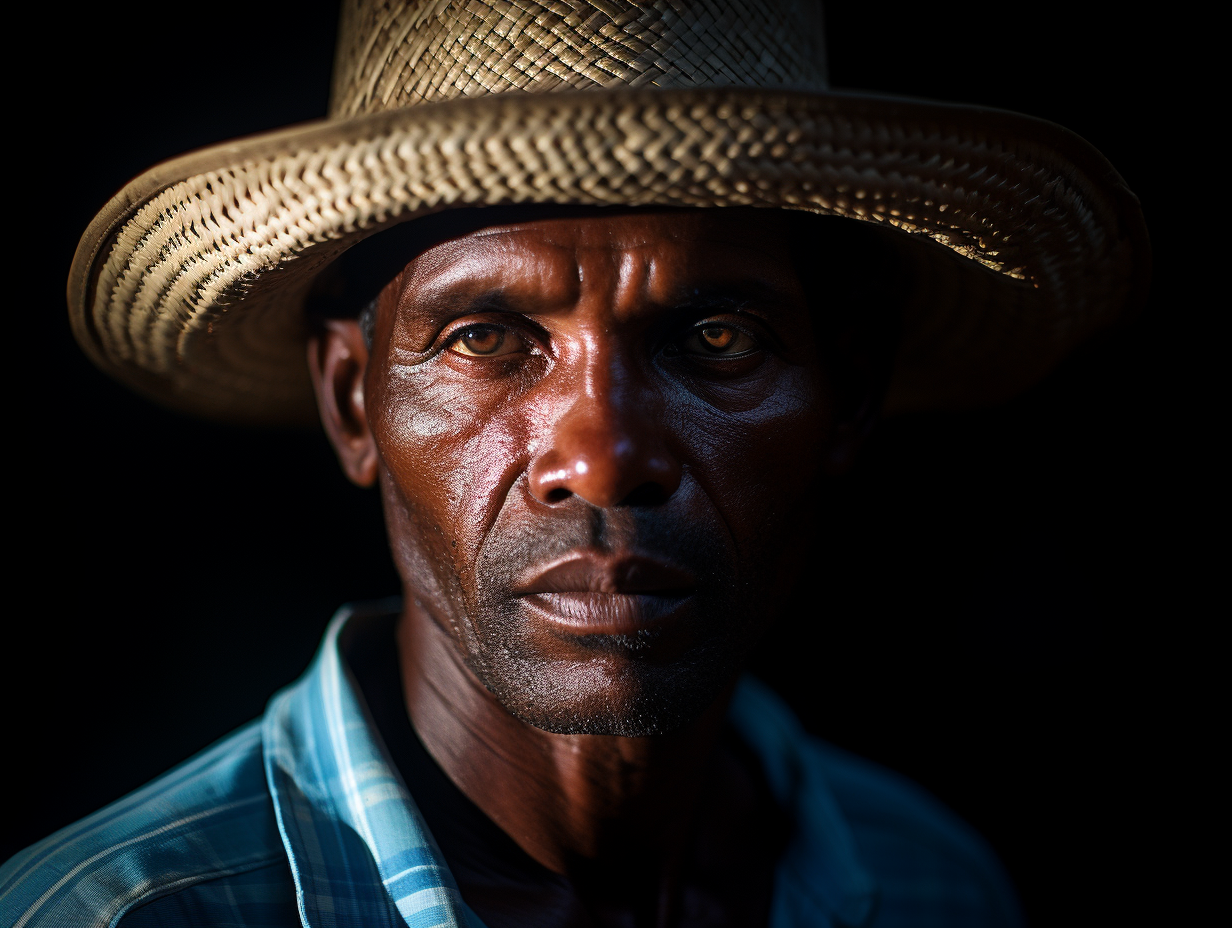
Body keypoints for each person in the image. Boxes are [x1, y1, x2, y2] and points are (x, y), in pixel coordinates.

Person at [0, 1, 1147, 926]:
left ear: (847, 397)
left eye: (715, 340)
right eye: (486, 338)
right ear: (353, 405)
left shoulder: (935, 887)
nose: (601, 459)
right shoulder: (120, 916)